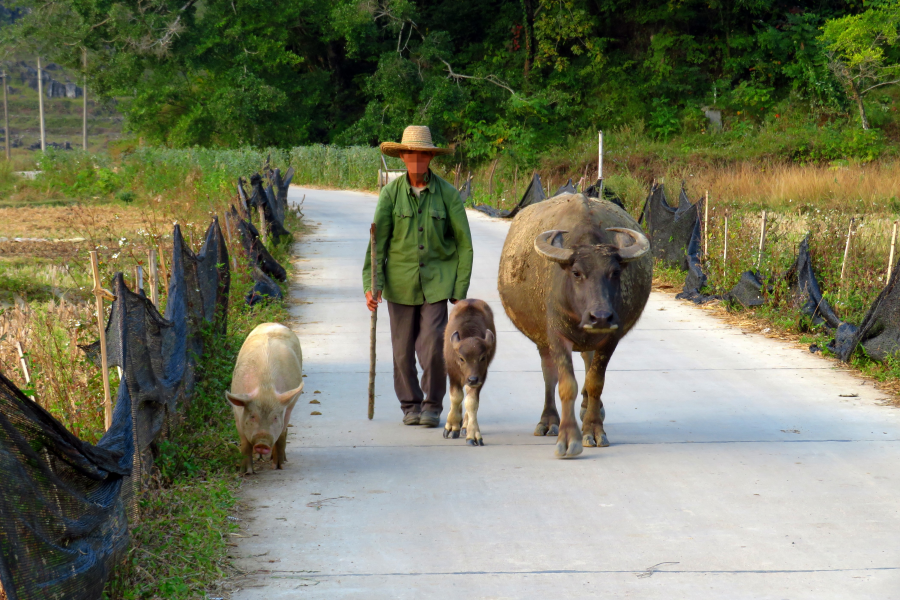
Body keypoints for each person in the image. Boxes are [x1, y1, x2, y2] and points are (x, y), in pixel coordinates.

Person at [363, 125, 474, 427]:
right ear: (402, 156)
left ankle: (432, 404)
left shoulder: (448, 195)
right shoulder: (390, 194)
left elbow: (464, 243)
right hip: (399, 284)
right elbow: (377, 243)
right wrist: (371, 286)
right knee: (401, 354)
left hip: (436, 284)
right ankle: (410, 404)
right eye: (411, 153)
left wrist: (459, 288)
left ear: (429, 158)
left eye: (422, 154)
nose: (416, 159)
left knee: (433, 349)